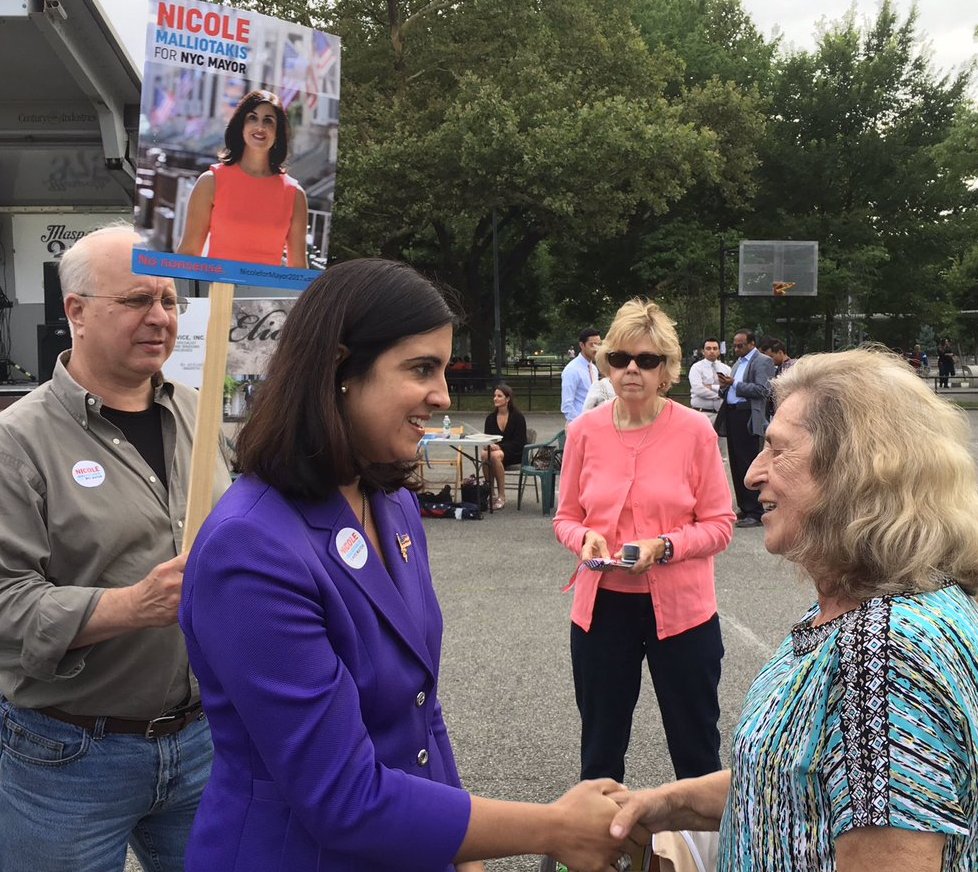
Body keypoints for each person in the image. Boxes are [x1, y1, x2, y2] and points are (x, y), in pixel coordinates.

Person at [178, 259, 642, 872]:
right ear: (340, 368)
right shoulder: (250, 548)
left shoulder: (391, 502)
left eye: (444, 369)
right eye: (421, 368)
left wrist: (462, 852)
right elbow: (342, 797)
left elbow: (422, 711)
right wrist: (554, 828)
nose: (444, 395)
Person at [611, 347, 978, 871]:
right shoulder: (861, 608)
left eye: (778, 451)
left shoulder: (885, 656)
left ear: (854, 472)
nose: (752, 474)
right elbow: (790, 780)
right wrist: (666, 804)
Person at [0, 226, 231, 871]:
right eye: (136, 300)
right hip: (66, 757)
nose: (160, 317)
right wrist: (133, 606)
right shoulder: (16, 442)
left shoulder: (202, 413)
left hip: (203, 744)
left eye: (169, 299)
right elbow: (4, 604)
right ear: (75, 310)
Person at [553, 299, 735, 785]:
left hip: (683, 613)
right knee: (600, 750)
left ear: (666, 370)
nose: (632, 369)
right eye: (620, 358)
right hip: (602, 609)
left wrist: (664, 547)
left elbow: (720, 524)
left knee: (696, 750)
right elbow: (566, 518)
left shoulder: (696, 431)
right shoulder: (585, 432)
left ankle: (700, 857)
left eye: (647, 360)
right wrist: (585, 537)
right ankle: (602, 853)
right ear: (606, 364)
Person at [177, 90, 309, 268]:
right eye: (252, 118)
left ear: (277, 132)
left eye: (268, 121)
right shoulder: (210, 183)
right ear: (241, 126)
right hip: (214, 292)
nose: (260, 127)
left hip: (266, 295)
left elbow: (298, 268)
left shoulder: (295, 195)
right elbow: (188, 253)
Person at [715, 329, 775, 528]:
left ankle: (756, 511)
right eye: (735, 345)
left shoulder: (762, 361)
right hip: (732, 414)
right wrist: (724, 386)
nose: (736, 348)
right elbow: (731, 388)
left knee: (748, 461)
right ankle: (744, 506)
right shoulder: (737, 364)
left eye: (740, 345)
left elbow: (763, 390)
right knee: (736, 461)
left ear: (751, 344)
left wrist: (735, 384)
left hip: (748, 414)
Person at [481, 383, 528, 510]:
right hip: (495, 453)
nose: (495, 398)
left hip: (515, 453)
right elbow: (488, 439)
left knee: (495, 455)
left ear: (507, 399)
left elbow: (520, 442)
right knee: (484, 454)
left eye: (499, 396)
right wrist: (488, 445)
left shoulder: (518, 417)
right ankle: (490, 492)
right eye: (494, 396)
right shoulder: (490, 418)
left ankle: (502, 495)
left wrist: (499, 447)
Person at [561, 327, 601, 423]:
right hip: (580, 424)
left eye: (598, 344)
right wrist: (579, 425)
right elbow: (567, 405)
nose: (596, 348)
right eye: (592, 345)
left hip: (594, 422)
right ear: (582, 345)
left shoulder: (594, 369)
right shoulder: (572, 370)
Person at [688, 337, 731, 419]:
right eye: (708, 348)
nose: (712, 351)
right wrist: (719, 395)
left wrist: (711, 387)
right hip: (701, 413)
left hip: (721, 414)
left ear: (719, 351)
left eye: (715, 348)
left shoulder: (726, 369)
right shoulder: (696, 368)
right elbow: (698, 389)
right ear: (703, 351)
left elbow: (729, 389)